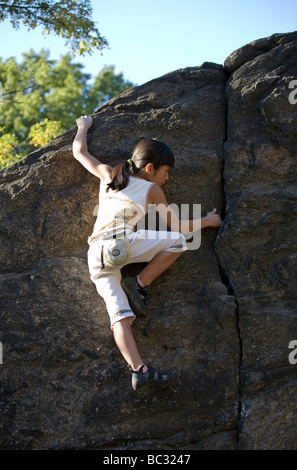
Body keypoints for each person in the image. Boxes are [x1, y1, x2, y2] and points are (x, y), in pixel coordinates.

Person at [72, 115, 221, 391]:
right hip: (120, 244)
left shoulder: (109, 174)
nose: (167, 178)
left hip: (96, 256)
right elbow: (177, 228)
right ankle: (139, 282)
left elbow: (79, 152)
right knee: (177, 241)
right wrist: (208, 221)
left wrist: (84, 126)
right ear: (150, 168)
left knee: (120, 315)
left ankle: (138, 369)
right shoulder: (151, 189)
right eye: (166, 171)